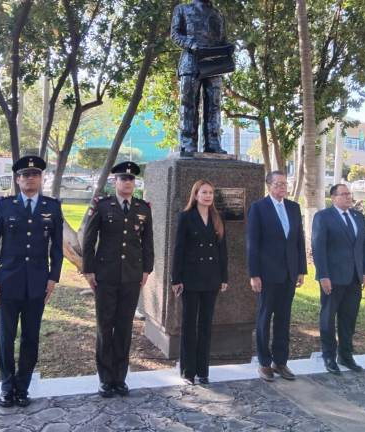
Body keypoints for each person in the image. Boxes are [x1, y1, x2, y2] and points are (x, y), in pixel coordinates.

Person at [0, 156, 63, 407]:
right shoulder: (4, 206)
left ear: (41, 179)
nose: (30, 178)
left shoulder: (52, 207)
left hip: (37, 283)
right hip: (8, 282)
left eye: (35, 174)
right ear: (18, 180)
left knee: (31, 337)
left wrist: (53, 278)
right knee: (6, 337)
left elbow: (57, 248)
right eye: (25, 175)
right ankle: (7, 387)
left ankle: (23, 386)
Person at [83, 161, 154, 398]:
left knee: (124, 327)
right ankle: (105, 378)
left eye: (131, 179)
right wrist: (89, 270)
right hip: (105, 275)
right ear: (115, 181)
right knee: (105, 326)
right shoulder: (102, 205)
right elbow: (89, 239)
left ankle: (120, 377)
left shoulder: (143, 208)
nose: (128, 182)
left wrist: (147, 269)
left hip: (132, 276)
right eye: (124, 178)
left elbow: (148, 242)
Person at [246, 171, 306, 382]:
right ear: (269, 186)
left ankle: (280, 362)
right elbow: (252, 244)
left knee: (284, 318)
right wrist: (254, 274)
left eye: (284, 184)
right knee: (264, 318)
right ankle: (264, 363)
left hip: (289, 273)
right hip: (267, 274)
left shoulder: (293, 207)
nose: (282, 187)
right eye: (278, 184)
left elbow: (299, 241)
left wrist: (301, 270)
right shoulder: (258, 208)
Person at [171, 180, 228, 385]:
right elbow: (179, 249)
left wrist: (224, 277)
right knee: (189, 325)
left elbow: (222, 250)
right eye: (204, 192)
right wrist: (176, 278)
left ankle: (203, 371)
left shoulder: (217, 218)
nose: (208, 196)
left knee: (206, 325)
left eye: (211, 192)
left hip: (211, 278)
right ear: (195, 195)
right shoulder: (186, 217)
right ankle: (188, 371)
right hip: (191, 278)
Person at [312, 184, 365, 375]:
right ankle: (329, 356)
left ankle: (346, 355)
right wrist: (323, 275)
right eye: (344, 194)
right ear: (333, 197)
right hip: (333, 277)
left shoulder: (358, 216)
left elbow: (364, 246)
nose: (348, 197)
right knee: (328, 318)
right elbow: (318, 248)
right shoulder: (323, 217)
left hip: (354, 277)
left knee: (349, 318)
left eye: (349, 194)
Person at [170, 0, 228, 154]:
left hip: (214, 64)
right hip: (190, 63)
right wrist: (190, 43)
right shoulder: (182, 9)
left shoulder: (218, 14)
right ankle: (187, 142)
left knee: (214, 105)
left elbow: (222, 39)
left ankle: (213, 142)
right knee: (188, 105)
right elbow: (175, 34)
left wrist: (228, 47)